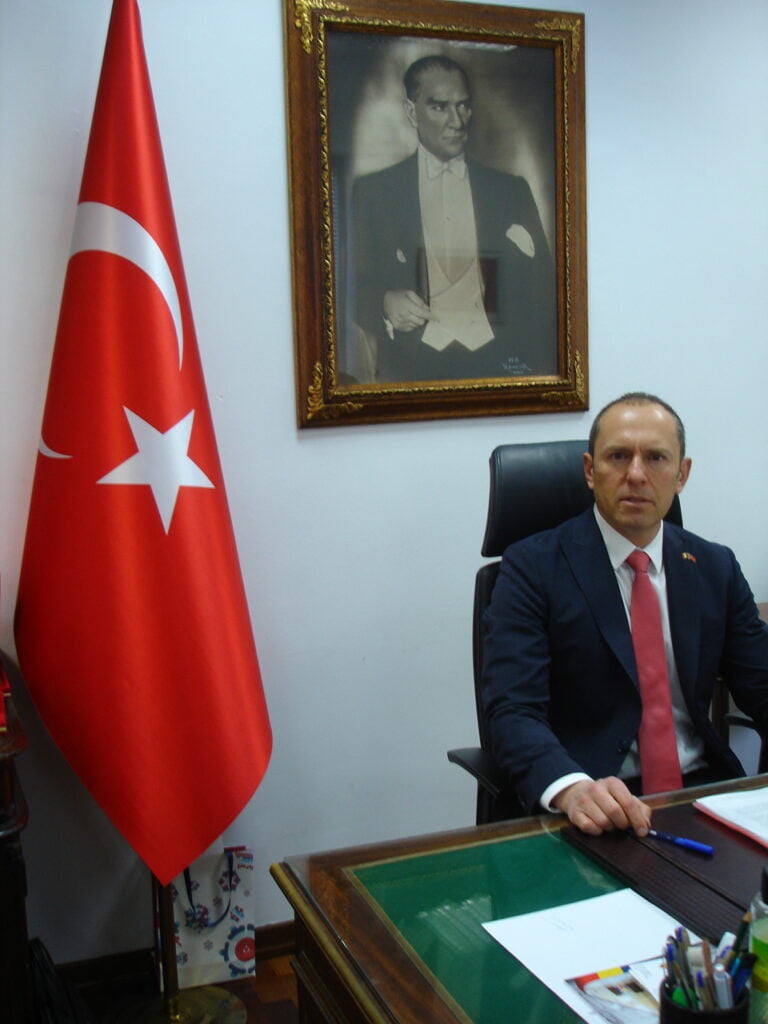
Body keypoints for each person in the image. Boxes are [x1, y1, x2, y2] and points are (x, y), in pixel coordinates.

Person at [482, 392, 768, 837]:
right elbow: (513, 709)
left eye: (656, 457)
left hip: (703, 795)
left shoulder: (715, 566)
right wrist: (571, 788)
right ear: (590, 470)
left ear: (681, 475)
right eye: (618, 456)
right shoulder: (533, 567)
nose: (636, 474)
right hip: (594, 800)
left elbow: (761, 682)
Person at [349, 55, 556, 383]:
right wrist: (384, 303)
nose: (457, 121)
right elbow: (348, 287)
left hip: (499, 368)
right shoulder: (374, 192)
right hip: (411, 372)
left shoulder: (511, 190)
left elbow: (544, 290)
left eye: (463, 106)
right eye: (440, 107)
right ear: (411, 112)